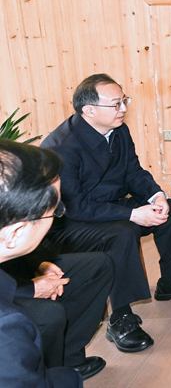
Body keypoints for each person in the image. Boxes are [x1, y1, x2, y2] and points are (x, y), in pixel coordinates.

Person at [42, 74, 171, 354]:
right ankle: (120, 318)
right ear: (89, 110)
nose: (123, 109)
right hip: (69, 224)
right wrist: (132, 214)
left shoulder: (118, 130)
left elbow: (133, 172)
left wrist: (156, 195)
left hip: (108, 206)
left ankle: (170, 280)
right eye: (115, 104)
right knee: (123, 231)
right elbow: (76, 207)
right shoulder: (61, 147)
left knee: (169, 209)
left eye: (124, 101)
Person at [0, 139, 82, 387]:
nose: (57, 216)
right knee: (68, 378)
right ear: (14, 234)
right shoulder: (7, 327)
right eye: (55, 211)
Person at [3, 249, 112, 380]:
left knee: (98, 265)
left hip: (9, 269)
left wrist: (37, 263)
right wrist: (30, 289)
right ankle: (48, 376)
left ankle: (69, 359)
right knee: (49, 314)